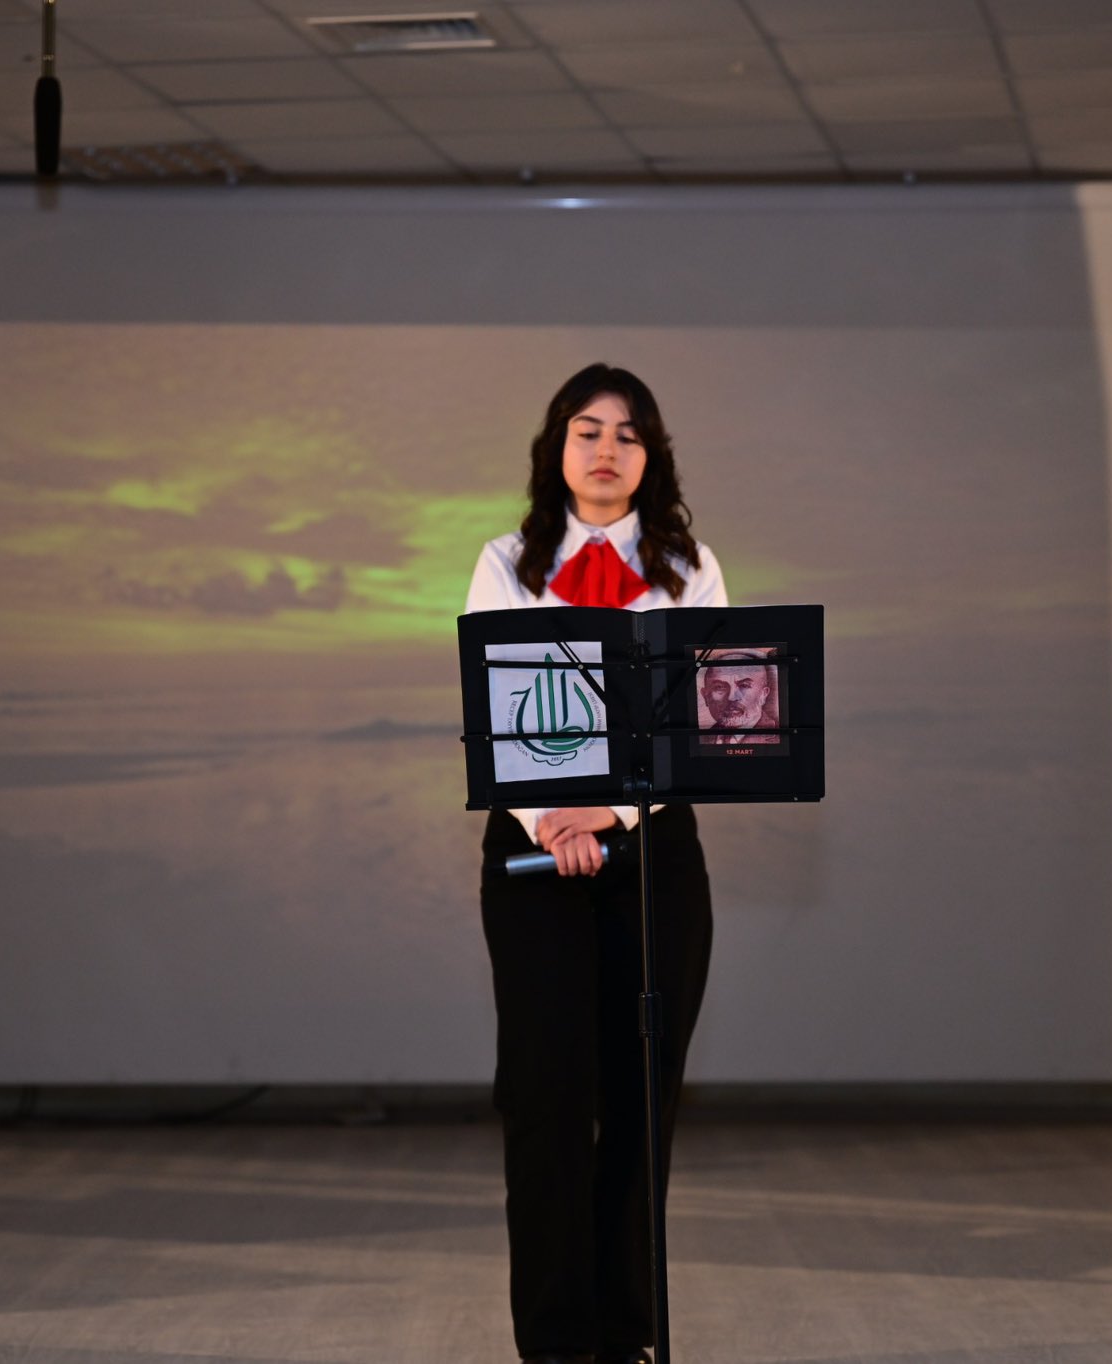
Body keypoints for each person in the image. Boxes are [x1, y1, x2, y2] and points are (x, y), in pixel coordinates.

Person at [464, 363, 726, 1364]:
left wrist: (608, 812)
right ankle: (555, 1342)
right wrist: (553, 820)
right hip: (531, 851)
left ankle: (626, 1332)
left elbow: (694, 714)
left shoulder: (691, 567)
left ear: (651, 455)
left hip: (653, 851)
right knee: (544, 1095)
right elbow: (493, 703)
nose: (606, 449)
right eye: (587, 430)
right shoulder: (504, 561)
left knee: (640, 1096)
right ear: (556, 446)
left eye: (627, 433)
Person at [696, 648, 778, 745]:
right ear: (705, 696)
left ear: (763, 694)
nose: (731, 697)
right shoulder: (699, 739)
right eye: (719, 687)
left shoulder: (779, 738)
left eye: (744, 685)